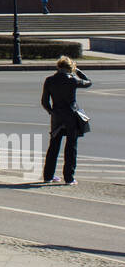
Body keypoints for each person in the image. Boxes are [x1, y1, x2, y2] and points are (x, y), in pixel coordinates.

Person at [41, 56, 92, 186]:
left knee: (54, 146)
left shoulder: (49, 80)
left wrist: (52, 112)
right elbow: (88, 82)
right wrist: (78, 71)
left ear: (58, 67)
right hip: (71, 115)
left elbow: (44, 102)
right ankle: (69, 178)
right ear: (70, 68)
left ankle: (48, 175)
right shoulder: (72, 80)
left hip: (57, 116)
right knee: (71, 147)